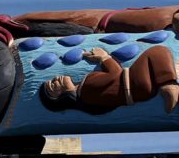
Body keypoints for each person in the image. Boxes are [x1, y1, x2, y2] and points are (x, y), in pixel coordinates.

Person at [40, 46, 179, 115]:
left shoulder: (87, 99)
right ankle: (168, 86)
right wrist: (104, 58)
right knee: (158, 51)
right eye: (54, 85)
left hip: (137, 90)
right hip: (134, 81)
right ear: (61, 97)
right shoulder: (86, 89)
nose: (56, 78)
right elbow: (114, 74)